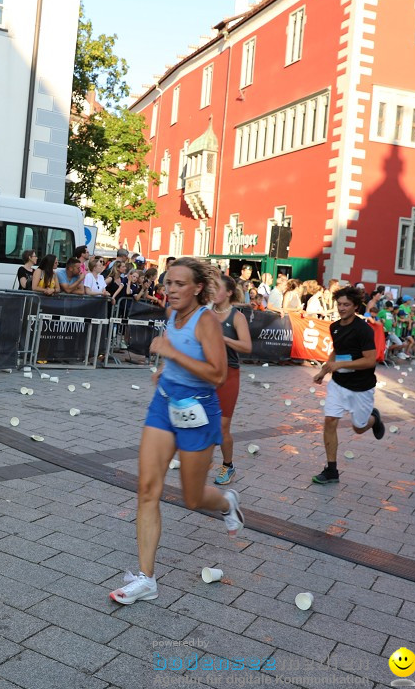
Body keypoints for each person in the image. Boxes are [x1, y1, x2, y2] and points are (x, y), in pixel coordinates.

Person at [110, 257, 243, 605]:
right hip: (165, 404)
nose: (170, 289)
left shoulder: (207, 321)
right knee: (147, 489)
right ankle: (146, 579)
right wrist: (166, 368)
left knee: (193, 498)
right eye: (168, 283)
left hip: (198, 412)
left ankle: (227, 503)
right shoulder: (173, 316)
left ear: (198, 287)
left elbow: (217, 375)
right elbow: (179, 355)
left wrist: (171, 353)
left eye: (178, 284)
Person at [311, 286, 385, 485]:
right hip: (338, 383)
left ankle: (373, 419)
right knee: (330, 421)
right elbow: (336, 351)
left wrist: (340, 364)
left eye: (346, 305)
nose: (341, 308)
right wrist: (324, 371)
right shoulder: (334, 326)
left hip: (361, 387)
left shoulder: (363, 330)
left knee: (359, 428)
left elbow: (370, 361)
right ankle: (331, 470)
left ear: (355, 307)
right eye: (339, 304)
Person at [212, 275, 251, 486]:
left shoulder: (237, 317)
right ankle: (200, 461)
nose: (212, 291)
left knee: (222, 427)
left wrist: (225, 339)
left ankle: (228, 465)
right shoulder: (207, 314)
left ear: (228, 292)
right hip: (207, 373)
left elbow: (247, 346)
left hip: (229, 374)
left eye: (217, 288)